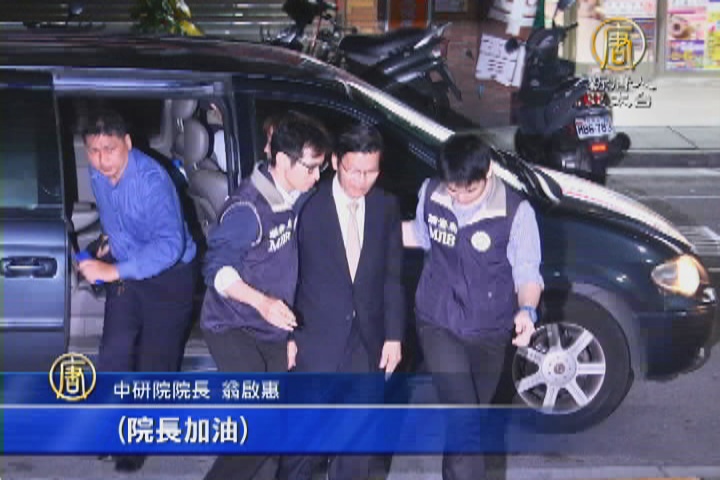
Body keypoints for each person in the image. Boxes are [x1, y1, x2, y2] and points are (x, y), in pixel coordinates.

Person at [402, 133, 543, 480]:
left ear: (488, 172)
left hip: (489, 329)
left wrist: (527, 311)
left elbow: (527, 271)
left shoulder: (516, 212)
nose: (460, 198)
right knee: (464, 416)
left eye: (470, 190)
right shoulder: (430, 193)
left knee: (469, 421)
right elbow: (420, 235)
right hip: (438, 320)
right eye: (454, 189)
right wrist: (365, 225)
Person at [199, 111, 332, 480]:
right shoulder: (248, 210)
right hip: (233, 327)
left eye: (320, 168)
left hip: (272, 329)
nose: (317, 177)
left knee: (273, 442)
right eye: (311, 168)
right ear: (283, 161)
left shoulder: (296, 195)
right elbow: (216, 270)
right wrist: (262, 303)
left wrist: (288, 335)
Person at [280, 123, 406, 480]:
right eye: (354, 171)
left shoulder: (385, 205)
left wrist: (394, 336)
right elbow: (286, 273)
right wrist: (286, 336)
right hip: (313, 339)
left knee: (358, 451)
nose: (362, 181)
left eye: (371, 172)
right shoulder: (306, 204)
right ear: (336, 162)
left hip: (366, 342)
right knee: (302, 450)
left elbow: (392, 276)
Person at [77, 108, 198, 473]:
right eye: (93, 151)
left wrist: (112, 270)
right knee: (114, 352)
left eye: (109, 149)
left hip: (170, 276)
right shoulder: (98, 174)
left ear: (127, 143)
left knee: (154, 363)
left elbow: (170, 246)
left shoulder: (151, 181)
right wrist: (107, 243)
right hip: (128, 269)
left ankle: (138, 439)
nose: (102, 160)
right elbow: (114, 218)